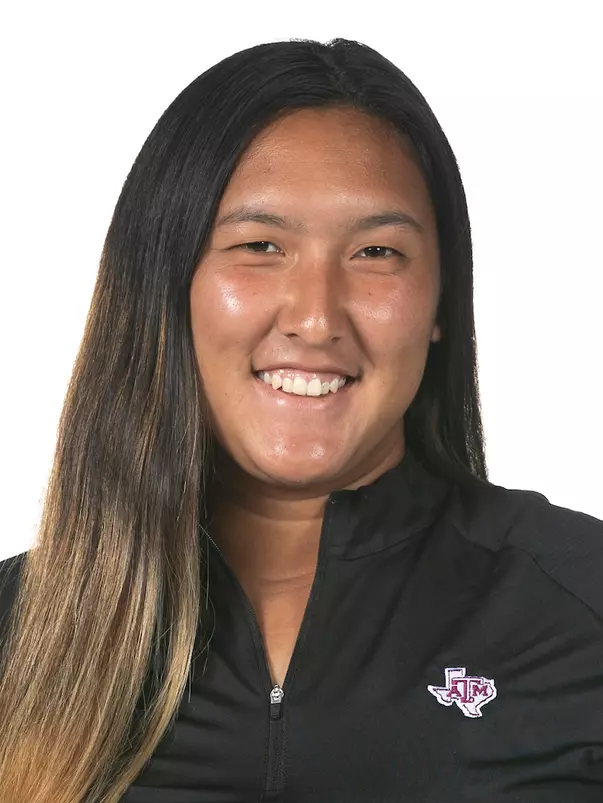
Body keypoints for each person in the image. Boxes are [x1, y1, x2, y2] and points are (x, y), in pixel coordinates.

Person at [0, 36, 602, 803]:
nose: (316, 318)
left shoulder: (580, 605)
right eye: (260, 245)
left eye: (377, 252)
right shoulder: (16, 636)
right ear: (165, 282)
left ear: (440, 301)